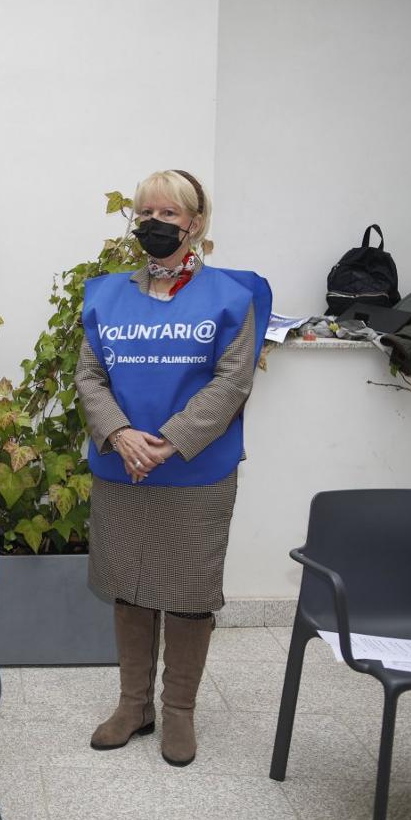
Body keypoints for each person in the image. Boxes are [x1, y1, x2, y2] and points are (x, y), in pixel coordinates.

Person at [76, 169, 271, 767]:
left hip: (195, 472)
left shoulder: (231, 297)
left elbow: (232, 382)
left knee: (188, 592)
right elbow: (90, 376)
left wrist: (168, 441)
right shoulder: (106, 296)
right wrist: (120, 434)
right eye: (146, 213)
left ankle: (179, 711)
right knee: (130, 588)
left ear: (195, 222)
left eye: (168, 213)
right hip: (124, 469)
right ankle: (133, 706)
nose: (154, 223)